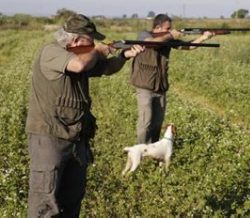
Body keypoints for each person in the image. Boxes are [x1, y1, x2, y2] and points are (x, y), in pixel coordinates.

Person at [25, 13, 144, 217]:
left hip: (76, 137)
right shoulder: (51, 52)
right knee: (45, 203)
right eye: (90, 40)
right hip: (50, 137)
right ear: (76, 40)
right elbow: (79, 65)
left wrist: (123, 56)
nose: (94, 43)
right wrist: (97, 50)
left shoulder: (81, 56)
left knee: (72, 199)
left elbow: (106, 69)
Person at [130, 14, 214, 144]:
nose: (170, 30)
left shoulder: (167, 39)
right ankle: (141, 149)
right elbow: (151, 43)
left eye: (171, 28)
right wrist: (171, 35)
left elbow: (188, 46)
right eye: (167, 28)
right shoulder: (144, 35)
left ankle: (153, 148)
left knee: (157, 122)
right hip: (144, 85)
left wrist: (204, 37)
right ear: (157, 27)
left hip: (160, 86)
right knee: (145, 122)